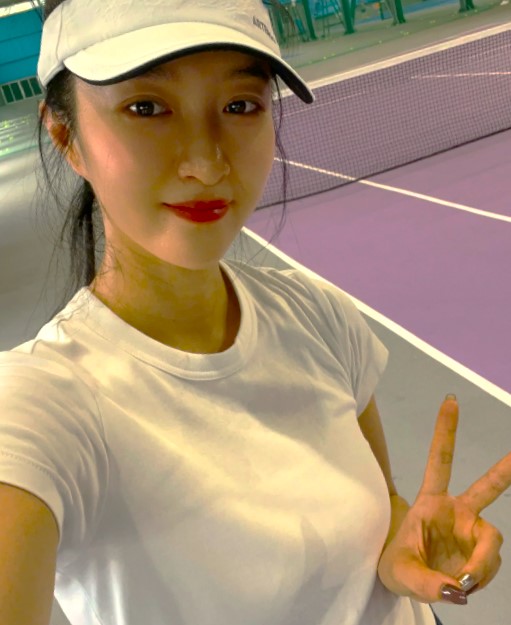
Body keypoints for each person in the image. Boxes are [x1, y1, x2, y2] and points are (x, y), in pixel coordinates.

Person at [0, 1, 509, 624]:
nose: (206, 163)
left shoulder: (317, 313)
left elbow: (382, 517)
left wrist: (404, 540)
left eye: (240, 105)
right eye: (147, 108)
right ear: (66, 137)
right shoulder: (39, 409)